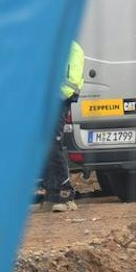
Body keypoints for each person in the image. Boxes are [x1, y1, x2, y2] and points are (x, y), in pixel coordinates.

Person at [41, 40, 82, 212]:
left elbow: (70, 82)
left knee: (52, 144)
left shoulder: (72, 48)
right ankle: (51, 194)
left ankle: (66, 194)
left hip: (59, 100)